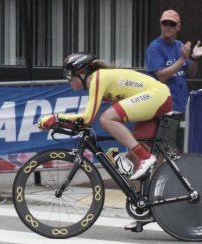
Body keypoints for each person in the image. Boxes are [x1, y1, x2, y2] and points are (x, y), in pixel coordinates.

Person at [38, 52, 172, 182]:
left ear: (80, 72)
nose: (68, 81)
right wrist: (59, 122)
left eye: (68, 75)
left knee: (106, 118)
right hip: (156, 98)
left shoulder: (98, 78)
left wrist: (56, 118)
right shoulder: (98, 80)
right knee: (133, 158)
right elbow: (85, 121)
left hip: (157, 96)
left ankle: (145, 157)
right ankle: (143, 203)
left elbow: (87, 119)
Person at [145, 9, 202, 153]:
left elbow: (191, 74)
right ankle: (161, 175)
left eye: (172, 24)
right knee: (165, 148)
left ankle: (178, 175)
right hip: (166, 107)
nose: (168, 26)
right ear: (161, 25)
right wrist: (182, 59)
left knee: (183, 146)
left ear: (178, 27)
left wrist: (193, 58)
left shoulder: (179, 45)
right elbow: (161, 76)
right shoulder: (155, 47)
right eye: (165, 23)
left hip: (182, 106)